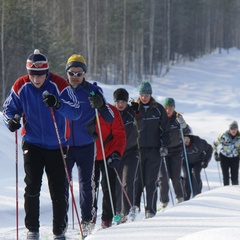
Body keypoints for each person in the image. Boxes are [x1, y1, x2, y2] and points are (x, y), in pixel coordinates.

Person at [2, 49, 81, 240]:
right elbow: (8, 110)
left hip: (57, 144)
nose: (36, 80)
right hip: (32, 142)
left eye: (39, 75)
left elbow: (76, 111)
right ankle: (32, 230)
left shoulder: (59, 84)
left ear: (47, 72)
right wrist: (11, 120)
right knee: (32, 186)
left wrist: (58, 104)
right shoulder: (21, 85)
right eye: (32, 75)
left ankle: (59, 231)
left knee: (58, 189)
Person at [64, 54, 114, 236]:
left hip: (86, 144)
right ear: (67, 72)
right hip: (65, 145)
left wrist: (100, 105)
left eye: (79, 72)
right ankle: (61, 220)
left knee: (87, 184)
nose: (75, 76)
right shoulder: (61, 90)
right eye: (72, 72)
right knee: (62, 183)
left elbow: (110, 117)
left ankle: (87, 221)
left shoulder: (93, 90)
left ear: (85, 73)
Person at [134, 82, 171, 218]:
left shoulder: (158, 109)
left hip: (155, 150)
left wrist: (164, 146)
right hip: (137, 150)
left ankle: (150, 210)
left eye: (147, 95)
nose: (144, 97)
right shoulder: (134, 108)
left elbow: (166, 130)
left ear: (151, 95)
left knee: (151, 181)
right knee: (137, 181)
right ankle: (135, 208)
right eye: (142, 95)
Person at [93, 104, 126, 228]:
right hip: (91, 154)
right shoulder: (85, 108)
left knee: (108, 185)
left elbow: (120, 134)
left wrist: (117, 153)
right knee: (90, 187)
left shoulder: (112, 111)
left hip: (109, 153)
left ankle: (107, 218)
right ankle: (90, 216)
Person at [113, 88, 143, 223]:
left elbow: (141, 126)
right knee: (118, 184)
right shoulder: (110, 114)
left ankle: (128, 213)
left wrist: (138, 112)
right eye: (118, 101)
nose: (121, 104)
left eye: (123, 101)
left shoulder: (131, 112)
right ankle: (118, 213)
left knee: (128, 182)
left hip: (131, 152)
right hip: (116, 154)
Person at [159, 97, 191, 207]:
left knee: (176, 176)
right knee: (163, 177)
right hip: (163, 151)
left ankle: (180, 198)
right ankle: (164, 202)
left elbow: (188, 131)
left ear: (174, 108)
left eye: (170, 108)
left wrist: (183, 125)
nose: (168, 110)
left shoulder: (178, 118)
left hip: (176, 151)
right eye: (166, 108)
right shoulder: (160, 118)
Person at [183, 133, 213, 200]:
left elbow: (209, 149)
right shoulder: (179, 144)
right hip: (185, 162)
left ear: (190, 138)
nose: (186, 141)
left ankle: (197, 194)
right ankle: (186, 196)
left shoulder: (198, 142)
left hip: (197, 161)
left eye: (187, 138)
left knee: (196, 174)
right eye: (184, 139)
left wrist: (205, 161)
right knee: (186, 176)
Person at [213, 121, 240, 186]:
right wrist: (216, 153)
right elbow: (215, 144)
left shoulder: (239, 137)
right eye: (231, 129)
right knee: (226, 176)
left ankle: (235, 192)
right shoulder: (223, 136)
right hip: (224, 157)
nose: (233, 130)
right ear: (229, 129)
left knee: (234, 177)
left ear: (237, 129)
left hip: (235, 158)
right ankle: (226, 190)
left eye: (235, 128)